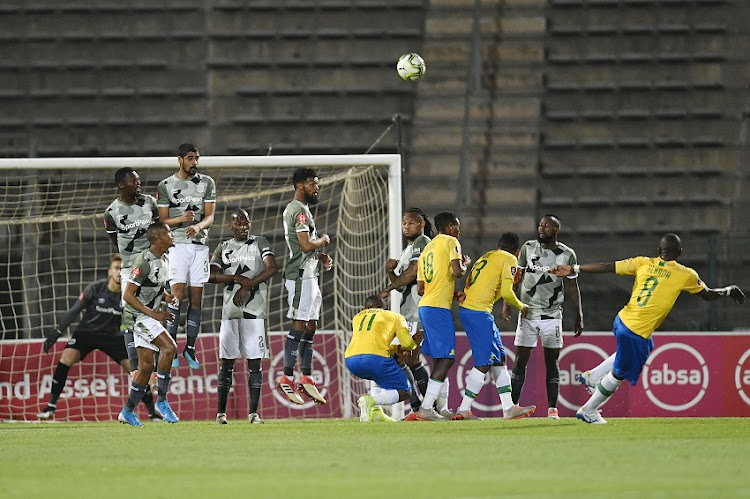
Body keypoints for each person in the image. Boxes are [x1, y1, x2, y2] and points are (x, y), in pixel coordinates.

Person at [550, 233, 745, 424]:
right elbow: (709, 295)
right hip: (635, 331)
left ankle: (593, 376)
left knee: (645, 345)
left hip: (621, 320)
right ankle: (589, 410)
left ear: (659, 251)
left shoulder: (642, 262)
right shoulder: (685, 274)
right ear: (680, 253)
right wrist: (729, 290)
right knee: (619, 374)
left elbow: (606, 266)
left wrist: (574, 268)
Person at [37, 255, 162, 421]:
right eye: (116, 268)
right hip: (86, 333)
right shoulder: (95, 289)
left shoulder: (128, 295)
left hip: (112, 336)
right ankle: (50, 407)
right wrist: (56, 334)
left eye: (122, 269)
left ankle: (152, 413)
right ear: (110, 271)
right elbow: (74, 311)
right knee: (65, 359)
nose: (119, 272)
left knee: (135, 370)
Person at [502, 214, 583, 420]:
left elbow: (572, 286)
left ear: (556, 230)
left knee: (552, 363)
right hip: (527, 314)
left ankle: (552, 410)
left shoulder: (567, 254)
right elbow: (516, 278)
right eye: (540, 225)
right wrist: (508, 304)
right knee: (520, 361)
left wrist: (579, 314)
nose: (541, 228)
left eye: (547, 226)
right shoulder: (528, 248)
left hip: (552, 315)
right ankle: (512, 408)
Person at [455, 233, 537, 420]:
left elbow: (493, 290)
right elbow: (508, 293)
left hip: (474, 310)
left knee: (499, 357)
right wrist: (521, 306)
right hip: (478, 313)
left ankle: (509, 408)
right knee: (484, 362)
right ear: (517, 252)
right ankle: (463, 409)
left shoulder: (487, 256)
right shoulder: (509, 259)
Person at [210, 209, 278, 424]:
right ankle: (221, 414)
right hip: (230, 314)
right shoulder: (223, 247)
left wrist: (248, 286)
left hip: (254, 312)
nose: (242, 227)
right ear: (230, 226)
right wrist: (237, 278)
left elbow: (272, 268)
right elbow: (210, 275)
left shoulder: (260, 242)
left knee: (255, 363)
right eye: (238, 223)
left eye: (246, 223)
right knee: (227, 364)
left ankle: (253, 414)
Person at [276, 168, 333, 405]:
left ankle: (307, 377)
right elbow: (305, 245)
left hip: (310, 273)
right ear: (300, 186)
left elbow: (307, 247)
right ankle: (287, 376)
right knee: (300, 323)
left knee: (311, 325)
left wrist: (321, 256)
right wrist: (323, 241)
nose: (316, 187)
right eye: (312, 184)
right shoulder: (298, 211)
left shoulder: (304, 211)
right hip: (300, 277)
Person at [157, 143, 216, 370]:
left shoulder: (207, 183)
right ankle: (170, 347)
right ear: (180, 159)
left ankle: (190, 347)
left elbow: (210, 216)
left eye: (197, 158)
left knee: (197, 297)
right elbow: (162, 220)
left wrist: (199, 226)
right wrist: (182, 220)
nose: (194, 162)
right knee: (176, 296)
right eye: (190, 158)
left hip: (199, 246)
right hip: (177, 246)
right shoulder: (166, 185)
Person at [118, 222, 180, 426]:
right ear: (158, 237)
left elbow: (154, 285)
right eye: (168, 232)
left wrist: (167, 297)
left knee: (145, 367)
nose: (172, 235)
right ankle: (162, 401)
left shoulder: (164, 259)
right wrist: (154, 314)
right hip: (137, 316)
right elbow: (128, 295)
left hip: (148, 315)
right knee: (169, 348)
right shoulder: (142, 261)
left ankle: (127, 411)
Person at [103, 166, 159, 380]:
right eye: (134, 181)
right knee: (130, 317)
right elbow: (115, 242)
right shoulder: (111, 212)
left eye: (138, 180)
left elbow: (159, 230)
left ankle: (154, 368)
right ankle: (135, 367)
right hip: (130, 269)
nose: (139, 184)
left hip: (154, 267)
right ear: (122, 185)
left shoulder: (149, 203)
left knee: (155, 315)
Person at [413, 211, 471, 421]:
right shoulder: (450, 242)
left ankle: (443, 408)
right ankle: (426, 408)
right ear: (448, 227)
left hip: (426, 305)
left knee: (440, 359)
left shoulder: (427, 249)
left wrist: (449, 292)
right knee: (446, 359)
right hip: (438, 308)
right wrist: (465, 263)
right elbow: (457, 272)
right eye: (457, 226)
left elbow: (421, 289)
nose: (459, 230)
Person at [378, 207, 432, 420]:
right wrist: (391, 272)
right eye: (404, 223)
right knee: (407, 359)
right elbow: (402, 285)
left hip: (417, 311)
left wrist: (387, 289)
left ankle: (423, 407)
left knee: (401, 357)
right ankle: (423, 407)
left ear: (421, 224)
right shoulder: (408, 248)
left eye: (411, 222)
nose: (406, 226)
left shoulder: (423, 242)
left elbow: (413, 272)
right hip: (408, 312)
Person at [346, 295, 418, 423]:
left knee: (376, 375)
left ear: (365, 308)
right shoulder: (395, 316)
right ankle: (371, 401)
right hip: (376, 359)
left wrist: (395, 348)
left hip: (351, 360)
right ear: (384, 308)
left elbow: (370, 341)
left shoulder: (357, 317)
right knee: (406, 391)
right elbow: (407, 343)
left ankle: (376, 412)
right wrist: (413, 344)